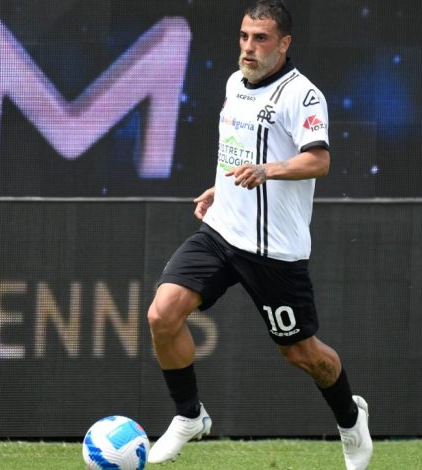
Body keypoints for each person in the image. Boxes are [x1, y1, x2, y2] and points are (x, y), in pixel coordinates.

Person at [146, 1, 373, 468]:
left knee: (303, 355)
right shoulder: (235, 83)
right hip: (221, 232)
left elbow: (319, 160)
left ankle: (351, 420)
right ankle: (189, 415)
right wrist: (221, 188)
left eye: (261, 38)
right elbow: (239, 151)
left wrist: (268, 170)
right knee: (162, 314)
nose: (249, 47)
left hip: (273, 249)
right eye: (245, 36)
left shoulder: (302, 95)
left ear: (284, 43)